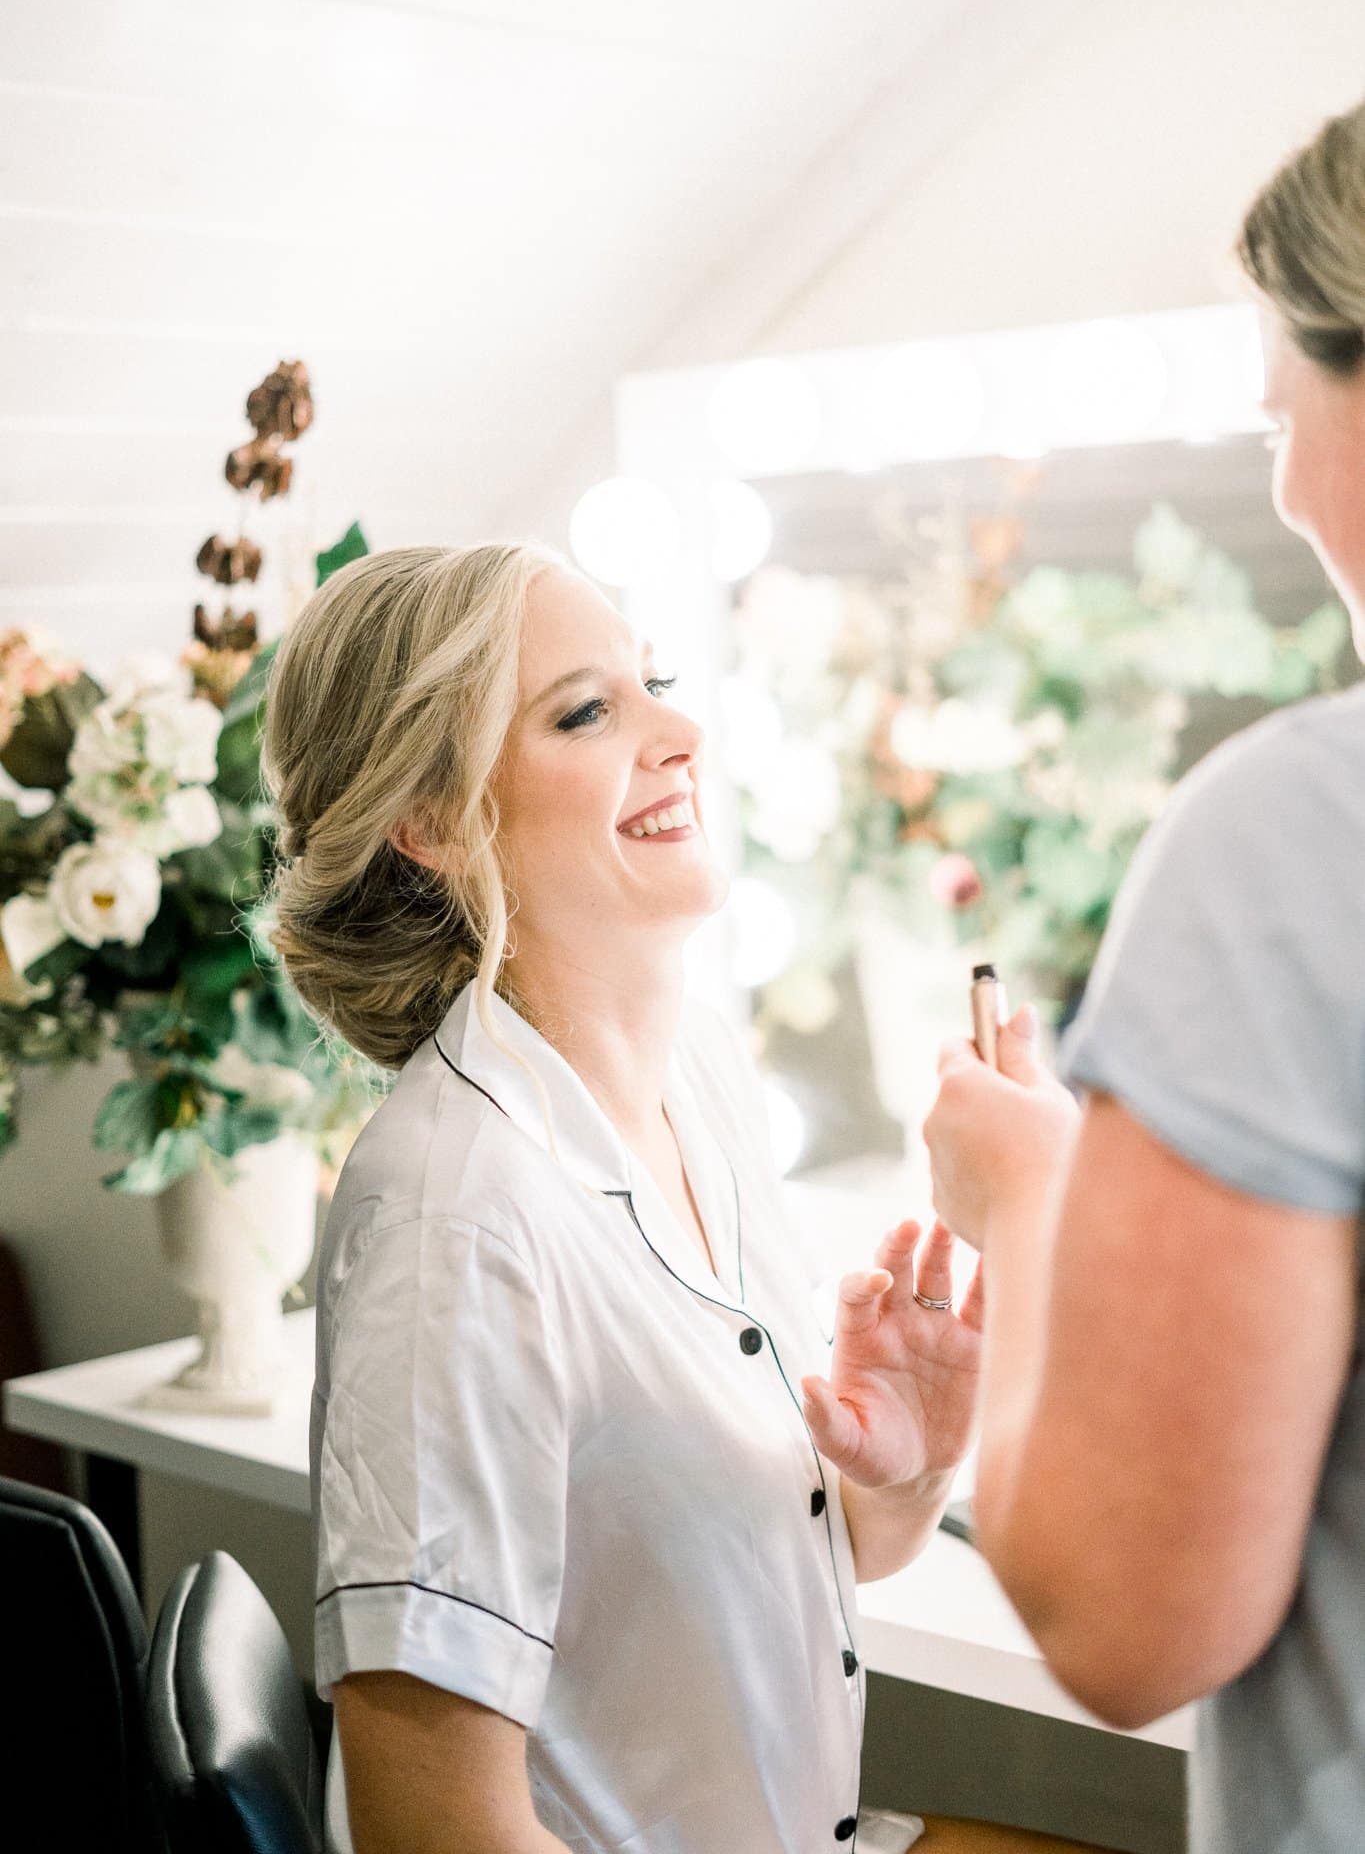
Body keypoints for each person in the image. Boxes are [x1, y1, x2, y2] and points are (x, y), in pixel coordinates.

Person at [260, 541, 985, 1854]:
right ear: (428, 819)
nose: (683, 731)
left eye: (653, 682)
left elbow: (760, 1587)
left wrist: (907, 1464)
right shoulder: (453, 1220)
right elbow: (432, 1830)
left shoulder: (697, 1073)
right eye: (588, 711)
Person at [922, 95, 1365, 1854]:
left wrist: (1031, 1205)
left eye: (1283, 412)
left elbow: (1124, 1625)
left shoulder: (1297, 839)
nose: (1275, 477)